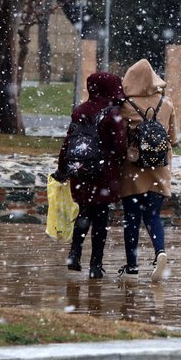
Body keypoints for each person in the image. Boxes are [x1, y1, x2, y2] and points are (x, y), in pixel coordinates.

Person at [55, 72, 127, 279]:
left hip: (80, 171)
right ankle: (96, 265)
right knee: (101, 218)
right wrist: (119, 162)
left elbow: (68, 142)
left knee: (84, 212)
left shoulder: (80, 110)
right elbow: (120, 146)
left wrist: (63, 169)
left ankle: (74, 254)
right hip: (103, 173)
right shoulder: (112, 112)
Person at [118, 59, 177, 282]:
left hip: (132, 168)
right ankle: (159, 251)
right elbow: (173, 138)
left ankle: (132, 266)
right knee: (153, 216)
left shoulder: (125, 106)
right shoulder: (166, 103)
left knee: (131, 218)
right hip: (158, 168)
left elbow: (119, 138)